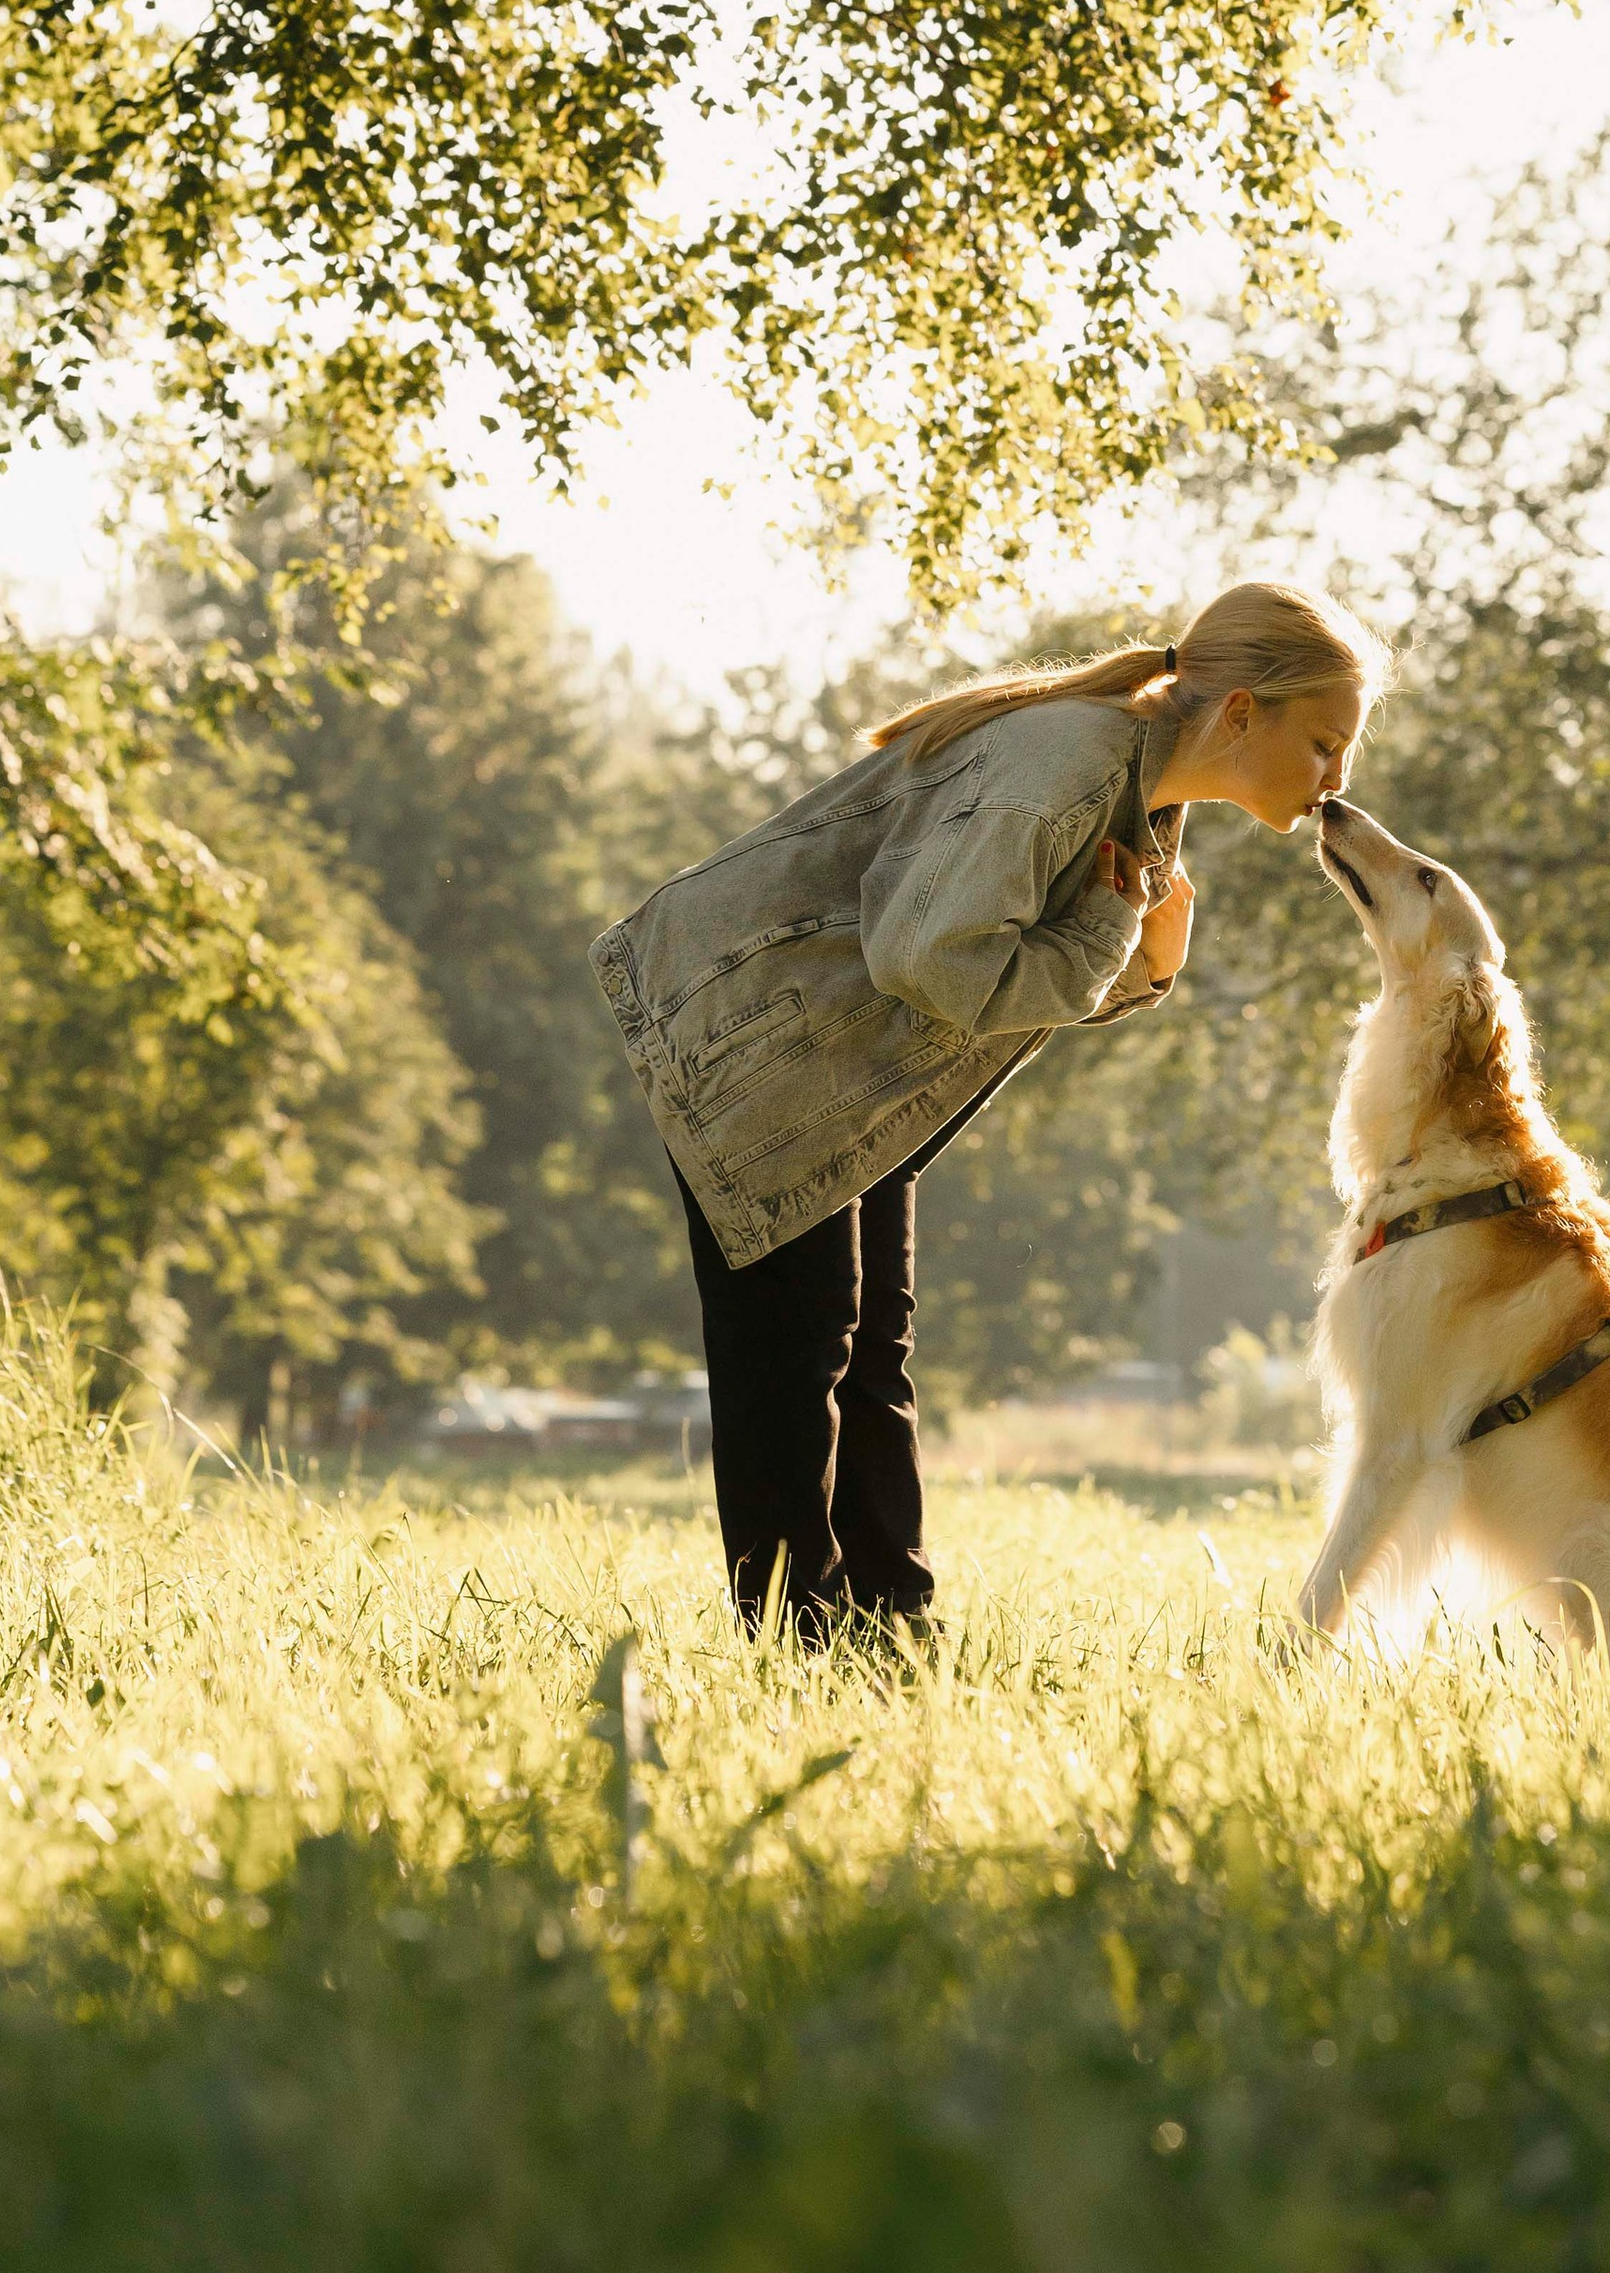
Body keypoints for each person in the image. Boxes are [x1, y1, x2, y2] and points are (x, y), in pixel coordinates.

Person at [589, 579, 1385, 1642]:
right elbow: (932, 963)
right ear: (1243, 711)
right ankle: (799, 1647)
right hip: (758, 1041)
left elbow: (1003, 975)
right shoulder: (1062, 769)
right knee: (798, 1356)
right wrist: (1115, 934)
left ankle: (891, 1633)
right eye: (1326, 743)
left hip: (851, 1070)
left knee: (869, 1346)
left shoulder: (1142, 791)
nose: (1337, 779)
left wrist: (1137, 960)